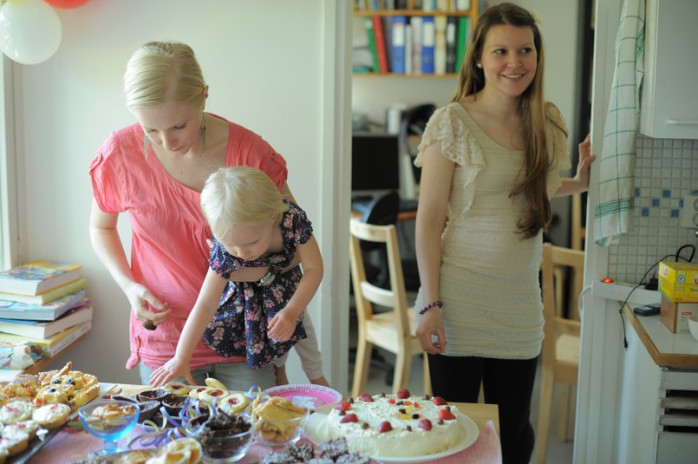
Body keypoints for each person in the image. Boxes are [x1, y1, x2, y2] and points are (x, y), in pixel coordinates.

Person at [412, 4, 595, 464]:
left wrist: (580, 182)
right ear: (479, 58)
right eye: (501, 51)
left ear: (537, 55)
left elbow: (532, 189)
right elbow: (429, 221)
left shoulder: (546, 121)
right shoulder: (451, 122)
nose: (515, 62)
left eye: (524, 50)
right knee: (453, 431)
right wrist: (430, 305)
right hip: (457, 302)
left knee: (513, 432)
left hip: (518, 307)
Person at [89, 41, 327, 390]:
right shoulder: (120, 154)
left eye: (178, 126)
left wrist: (262, 274)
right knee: (170, 426)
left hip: (246, 339)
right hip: (168, 339)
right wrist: (129, 286)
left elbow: (293, 241)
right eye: (150, 130)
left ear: (203, 96)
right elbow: (101, 227)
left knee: (253, 425)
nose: (167, 142)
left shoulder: (251, 154)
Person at [148, 166, 323, 387]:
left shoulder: (292, 220)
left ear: (272, 217)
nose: (241, 253)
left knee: (302, 337)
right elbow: (205, 304)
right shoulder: (224, 251)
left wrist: (292, 310)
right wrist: (181, 358)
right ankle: (279, 373)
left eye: (251, 243)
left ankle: (316, 381)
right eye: (231, 244)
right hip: (247, 303)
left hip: (289, 291)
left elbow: (314, 268)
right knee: (271, 343)